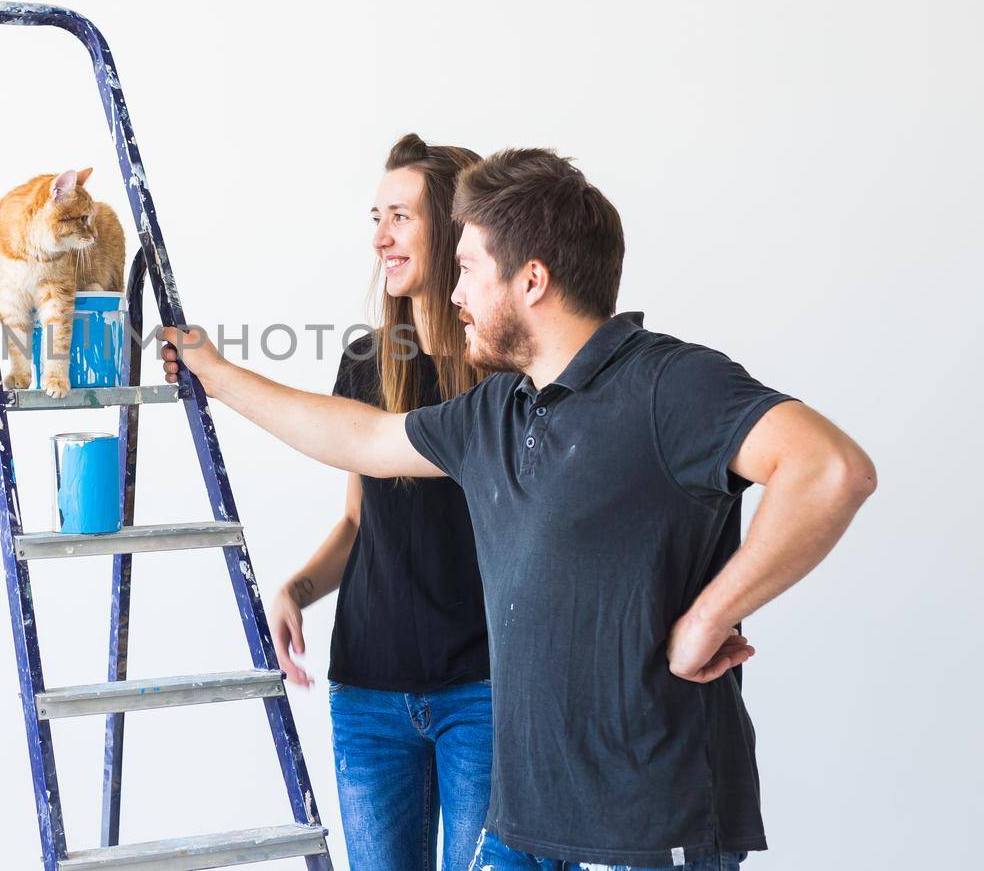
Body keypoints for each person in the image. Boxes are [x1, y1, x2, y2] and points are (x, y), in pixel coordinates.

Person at [160, 148, 876, 870]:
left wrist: (707, 618)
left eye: (468, 268)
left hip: (645, 832)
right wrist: (215, 373)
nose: (455, 291)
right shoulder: (498, 409)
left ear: (531, 278)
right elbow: (362, 435)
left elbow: (829, 469)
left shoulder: (668, 384)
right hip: (524, 828)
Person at [266, 134, 491, 870]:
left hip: (484, 691)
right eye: (375, 217)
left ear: (454, 229)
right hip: (367, 691)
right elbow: (360, 520)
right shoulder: (365, 362)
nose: (380, 237)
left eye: (400, 216)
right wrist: (298, 586)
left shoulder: (505, 375)